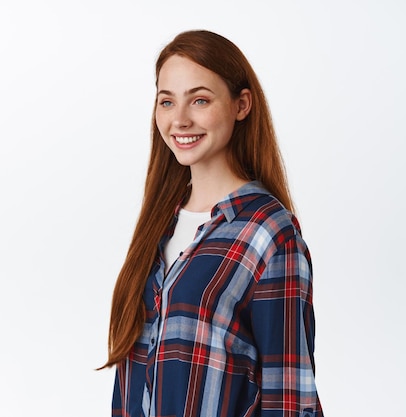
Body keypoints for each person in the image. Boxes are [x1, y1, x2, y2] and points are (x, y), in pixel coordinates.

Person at [101, 30, 323, 416]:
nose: (180, 120)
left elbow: (289, 396)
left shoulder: (269, 233)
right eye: (166, 102)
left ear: (241, 105)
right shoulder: (158, 227)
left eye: (200, 100)